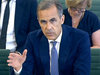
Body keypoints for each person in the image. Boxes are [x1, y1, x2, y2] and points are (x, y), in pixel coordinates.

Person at [7, 0, 91, 75]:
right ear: (38, 22)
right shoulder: (33, 38)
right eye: (43, 22)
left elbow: (81, 72)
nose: (48, 27)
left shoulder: (80, 38)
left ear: (62, 19)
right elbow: (28, 71)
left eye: (53, 21)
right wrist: (19, 69)